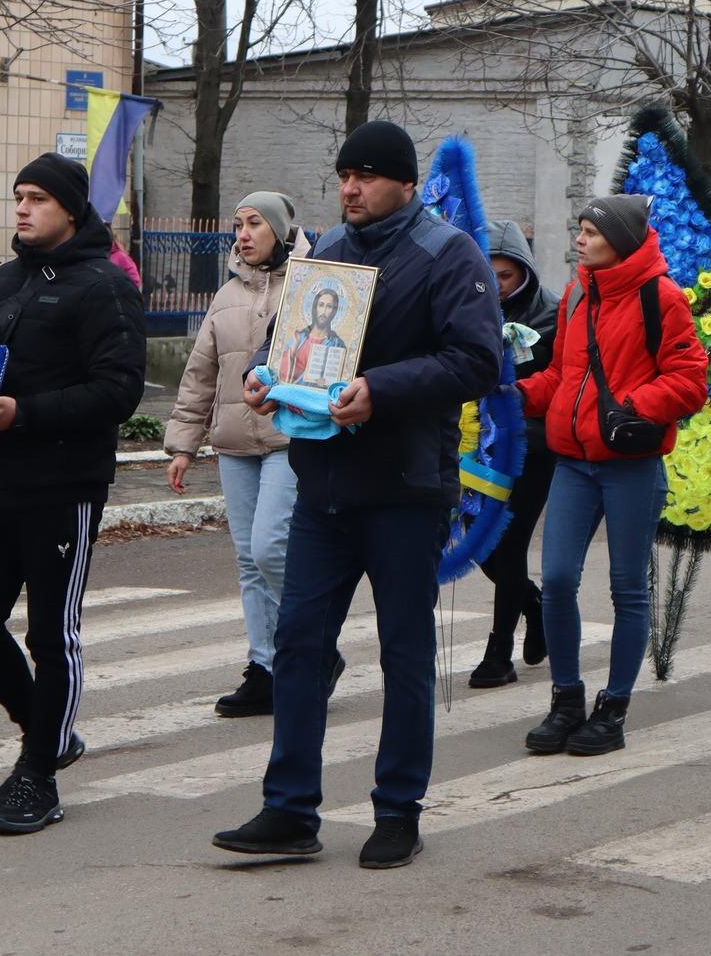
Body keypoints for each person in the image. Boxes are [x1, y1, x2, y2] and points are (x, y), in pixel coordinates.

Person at [212, 120, 502, 870]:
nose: (350, 188)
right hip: (325, 485)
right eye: (344, 175)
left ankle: (398, 809)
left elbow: (475, 361)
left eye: (367, 175)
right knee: (299, 646)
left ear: (404, 182)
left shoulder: (449, 254)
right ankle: (289, 809)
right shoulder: (329, 255)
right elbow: (286, 343)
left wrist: (381, 389)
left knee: (404, 652)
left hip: (406, 488)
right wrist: (266, 378)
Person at [0, 154, 147, 836]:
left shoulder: (104, 285)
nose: (22, 208)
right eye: (17, 196)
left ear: (71, 208)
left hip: (64, 484)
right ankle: (47, 729)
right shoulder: (3, 282)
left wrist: (24, 411)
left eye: (36, 198)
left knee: (50, 632)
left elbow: (119, 390)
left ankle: (38, 772)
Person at [515, 195, 709, 756]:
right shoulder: (578, 292)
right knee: (554, 581)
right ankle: (566, 699)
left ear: (619, 240)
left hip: (630, 464)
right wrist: (514, 397)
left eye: (591, 232)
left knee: (627, 589)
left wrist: (632, 405)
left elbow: (691, 380)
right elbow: (560, 375)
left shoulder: (661, 296)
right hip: (573, 463)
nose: (581, 240)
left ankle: (613, 708)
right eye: (579, 230)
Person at [166, 192, 309, 717]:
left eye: (254, 224)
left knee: (272, 547)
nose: (243, 234)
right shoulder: (225, 295)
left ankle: (310, 644)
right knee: (249, 560)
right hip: (233, 444)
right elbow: (199, 374)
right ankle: (266, 667)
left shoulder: (307, 286)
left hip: (287, 438)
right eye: (238, 225)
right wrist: (183, 445)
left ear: (279, 230)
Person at [465, 220, 560, 688]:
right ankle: (533, 605)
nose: (496, 285)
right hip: (475, 444)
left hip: (530, 447)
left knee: (509, 538)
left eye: (505, 276)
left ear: (522, 272)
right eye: (489, 274)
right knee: (478, 543)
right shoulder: (470, 309)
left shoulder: (549, 317)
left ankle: (498, 653)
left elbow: (557, 381)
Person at [276, 288, 349, 386]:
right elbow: (279, 371)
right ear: (315, 308)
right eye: (321, 305)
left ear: (334, 311)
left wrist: (326, 383)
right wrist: (292, 352)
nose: (323, 311)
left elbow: (340, 379)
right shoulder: (298, 337)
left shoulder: (337, 344)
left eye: (329, 306)